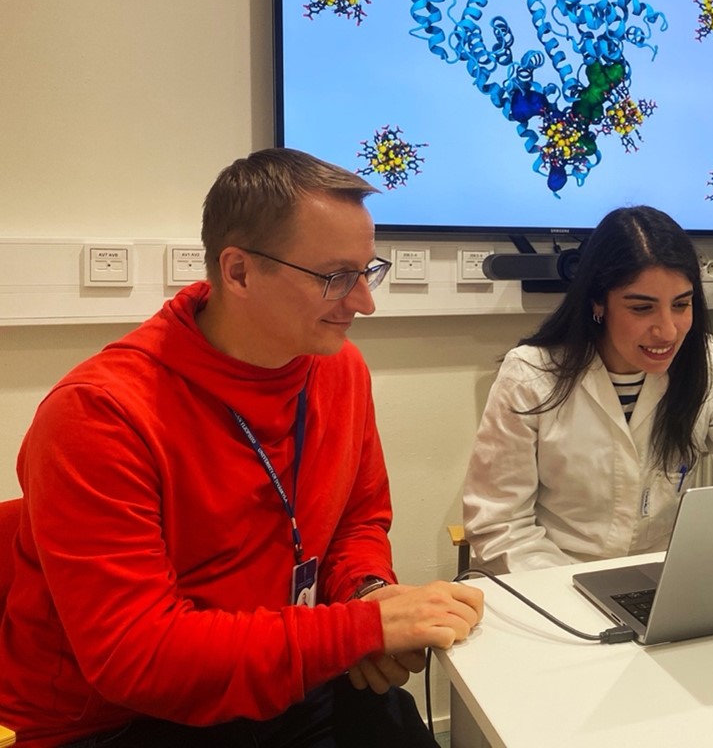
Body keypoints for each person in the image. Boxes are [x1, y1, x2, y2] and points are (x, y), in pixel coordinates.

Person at [0, 148, 484, 748]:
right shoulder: (99, 414)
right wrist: (358, 629)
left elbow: (356, 521)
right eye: (336, 277)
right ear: (239, 273)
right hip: (116, 718)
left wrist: (367, 592)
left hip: (276, 673)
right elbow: (138, 659)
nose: (364, 301)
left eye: (368, 271)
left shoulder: (339, 370)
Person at [462, 205, 713, 575]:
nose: (667, 331)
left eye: (681, 304)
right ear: (598, 302)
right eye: (642, 308)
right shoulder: (530, 376)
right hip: (551, 582)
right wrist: (566, 589)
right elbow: (501, 526)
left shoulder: (706, 366)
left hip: (659, 581)